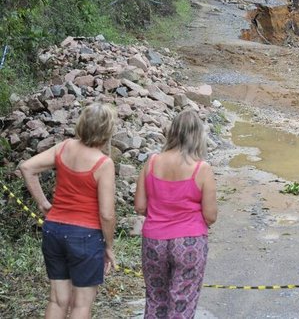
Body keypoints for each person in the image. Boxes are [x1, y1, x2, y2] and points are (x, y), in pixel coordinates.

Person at [19, 102, 118, 319]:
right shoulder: (104, 163)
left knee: (57, 300)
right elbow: (107, 214)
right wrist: (108, 246)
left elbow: (27, 168)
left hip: (54, 230)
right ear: (107, 130)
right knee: (81, 305)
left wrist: (44, 204)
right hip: (85, 236)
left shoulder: (63, 147)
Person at [134, 109, 217, 319]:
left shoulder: (151, 163)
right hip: (189, 241)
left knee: (155, 299)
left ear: (173, 132)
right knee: (182, 301)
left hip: (154, 240)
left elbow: (140, 206)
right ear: (198, 135)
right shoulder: (202, 169)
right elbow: (211, 216)